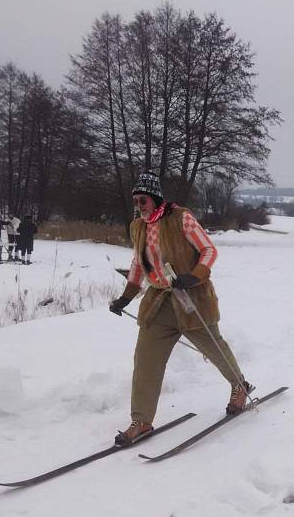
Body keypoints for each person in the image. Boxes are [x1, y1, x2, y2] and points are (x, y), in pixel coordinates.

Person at [108, 172, 252, 446]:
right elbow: (138, 264)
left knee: (214, 347)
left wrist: (195, 275)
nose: (140, 205)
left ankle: (239, 385)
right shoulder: (137, 226)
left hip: (191, 298)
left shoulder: (180, 218)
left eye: (144, 199)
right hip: (159, 302)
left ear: (155, 198)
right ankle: (141, 420)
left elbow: (209, 250)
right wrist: (126, 297)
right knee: (145, 360)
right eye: (136, 200)